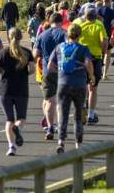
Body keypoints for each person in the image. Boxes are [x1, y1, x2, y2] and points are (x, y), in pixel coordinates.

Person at [47, 23, 94, 153]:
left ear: (68, 34)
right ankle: (78, 144)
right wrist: (91, 76)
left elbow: (50, 65)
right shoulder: (83, 48)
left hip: (63, 84)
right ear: (80, 35)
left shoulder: (59, 47)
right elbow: (88, 63)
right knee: (78, 115)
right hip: (79, 84)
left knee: (63, 114)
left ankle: (61, 142)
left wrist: (60, 72)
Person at [0, 28, 35, 156]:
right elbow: (32, 70)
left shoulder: (3, 52)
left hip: (5, 89)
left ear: (9, 37)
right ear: (21, 37)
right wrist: (24, 72)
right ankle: (17, 128)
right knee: (21, 118)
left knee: (9, 120)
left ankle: (11, 147)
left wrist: (5, 70)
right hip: (21, 88)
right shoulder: (27, 52)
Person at [33, 12, 66, 140]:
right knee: (61, 100)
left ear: (50, 21)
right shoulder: (64, 34)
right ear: (61, 21)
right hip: (62, 71)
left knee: (49, 101)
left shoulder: (43, 35)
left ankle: (50, 127)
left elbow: (35, 54)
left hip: (47, 71)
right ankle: (60, 126)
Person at [73, 7, 108, 124]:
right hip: (95, 58)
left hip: (81, 58)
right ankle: (91, 115)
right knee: (93, 89)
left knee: (82, 85)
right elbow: (104, 42)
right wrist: (103, 51)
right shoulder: (99, 25)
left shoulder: (78, 24)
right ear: (95, 15)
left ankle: (83, 106)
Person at [98, 0, 114, 80]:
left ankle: (98, 71)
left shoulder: (98, 10)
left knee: (98, 53)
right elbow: (113, 23)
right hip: (107, 33)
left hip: (98, 33)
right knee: (107, 53)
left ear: (103, 1)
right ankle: (104, 74)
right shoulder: (112, 11)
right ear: (109, 2)